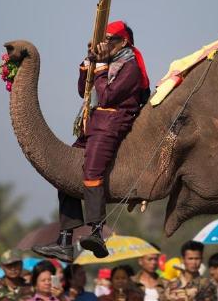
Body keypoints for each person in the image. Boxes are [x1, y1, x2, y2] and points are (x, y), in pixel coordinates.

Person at [33, 20, 150, 262]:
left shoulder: (129, 67)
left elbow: (107, 96)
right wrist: (88, 64)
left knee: (92, 172)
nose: (104, 44)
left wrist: (98, 69)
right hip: (93, 123)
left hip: (111, 123)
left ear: (123, 42)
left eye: (109, 39)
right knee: (64, 175)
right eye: (102, 39)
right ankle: (64, 239)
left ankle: (97, 231)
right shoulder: (105, 63)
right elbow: (82, 91)